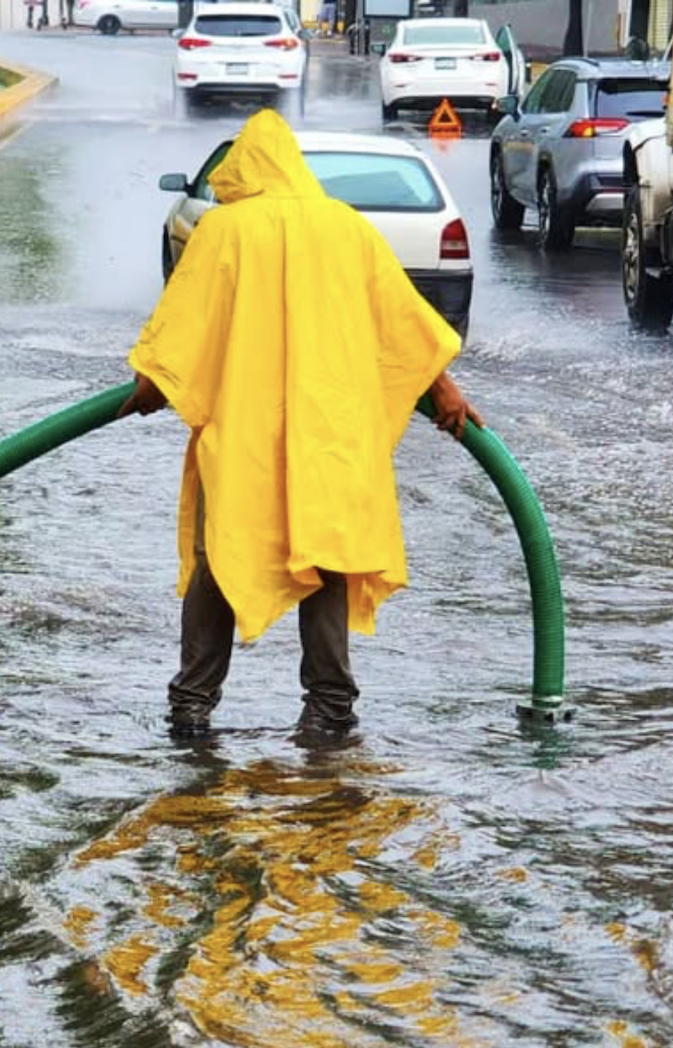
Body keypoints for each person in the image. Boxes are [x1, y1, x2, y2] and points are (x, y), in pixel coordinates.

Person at [119, 108, 481, 741]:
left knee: (220, 555)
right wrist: (445, 392)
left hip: (244, 431)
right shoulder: (348, 228)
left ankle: (193, 704)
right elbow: (404, 325)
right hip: (331, 431)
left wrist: (152, 385)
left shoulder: (222, 229)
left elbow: (184, 330)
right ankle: (330, 707)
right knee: (328, 554)